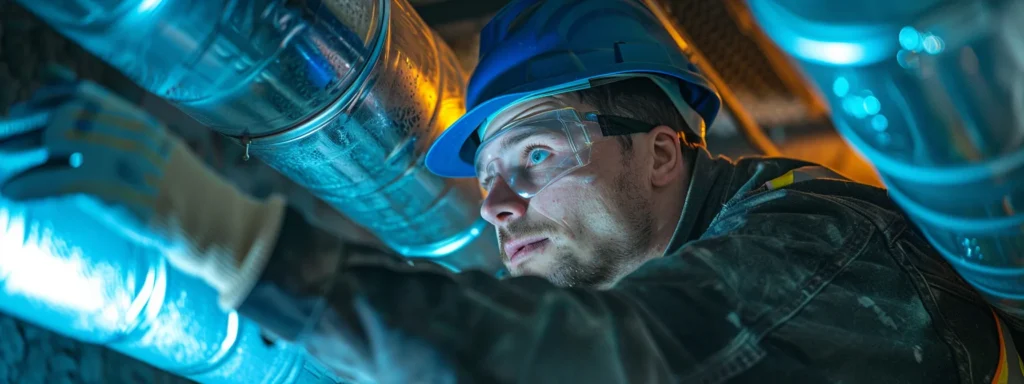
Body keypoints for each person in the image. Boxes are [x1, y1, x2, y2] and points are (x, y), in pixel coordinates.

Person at [0, 0, 1021, 383]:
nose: (492, 204)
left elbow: (621, 360)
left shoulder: (823, 245)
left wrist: (239, 244)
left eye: (531, 155)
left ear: (662, 152)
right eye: (487, 176)